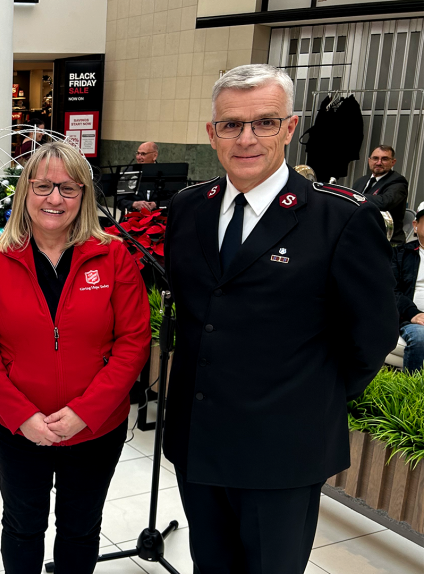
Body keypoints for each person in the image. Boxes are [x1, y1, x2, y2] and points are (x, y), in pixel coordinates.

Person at [163, 64, 396, 574]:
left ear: (290, 128)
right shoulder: (187, 209)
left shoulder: (343, 218)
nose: (247, 138)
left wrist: (307, 397)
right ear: (212, 133)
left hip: (282, 449)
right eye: (231, 124)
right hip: (199, 440)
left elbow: (372, 335)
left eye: (264, 122)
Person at [0, 142, 151, 573]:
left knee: (80, 529)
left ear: (84, 195)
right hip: (19, 429)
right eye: (43, 186)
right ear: (25, 192)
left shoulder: (114, 255)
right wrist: (21, 414)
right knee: (23, 526)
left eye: (68, 188)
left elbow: (133, 341)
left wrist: (85, 412)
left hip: (95, 428)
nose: (54, 199)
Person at [352, 145, 409, 245]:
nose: (379, 163)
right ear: (369, 160)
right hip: (360, 235)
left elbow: (384, 202)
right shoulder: (361, 181)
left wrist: (356, 196)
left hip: (386, 242)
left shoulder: (398, 182)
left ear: (393, 162)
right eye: (375, 158)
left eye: (384, 159)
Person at [391, 204, 424, 372]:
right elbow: (391, 290)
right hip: (409, 319)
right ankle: (412, 394)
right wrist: (414, 314)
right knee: (420, 337)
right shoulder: (400, 254)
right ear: (416, 226)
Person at [116, 141, 160, 214]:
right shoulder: (128, 171)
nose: (138, 157)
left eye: (143, 154)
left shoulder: (164, 172)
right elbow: (119, 201)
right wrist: (134, 204)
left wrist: (155, 204)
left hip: (159, 217)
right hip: (133, 216)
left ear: (154, 156)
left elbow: (172, 200)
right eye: (138, 153)